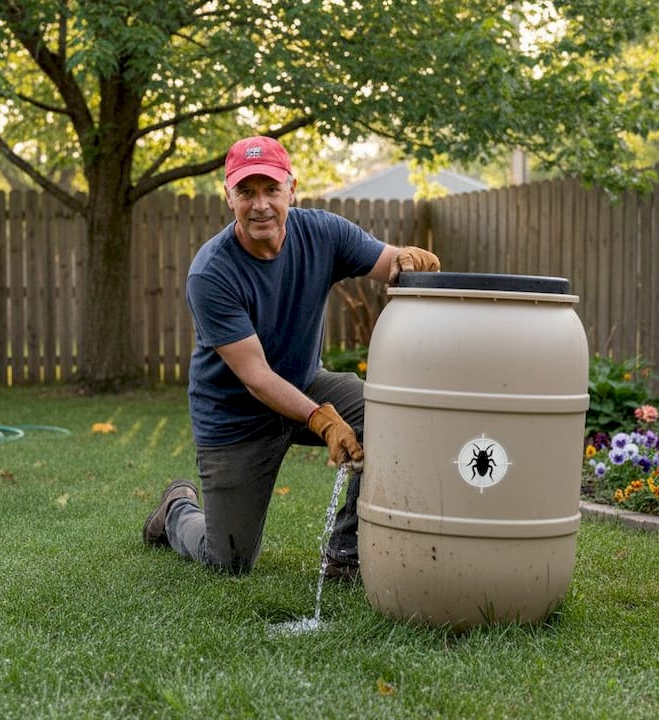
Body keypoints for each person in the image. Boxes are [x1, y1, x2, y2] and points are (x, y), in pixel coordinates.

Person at [142, 136, 440, 579]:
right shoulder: (212, 273)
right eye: (246, 192)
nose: (260, 205)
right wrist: (321, 419)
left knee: (388, 414)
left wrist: (408, 259)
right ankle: (176, 511)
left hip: (305, 385)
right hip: (235, 419)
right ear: (229, 197)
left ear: (291, 189)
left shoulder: (322, 232)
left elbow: (387, 263)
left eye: (271, 190)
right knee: (230, 560)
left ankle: (345, 553)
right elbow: (257, 377)